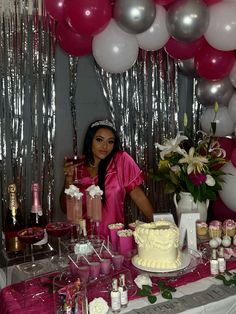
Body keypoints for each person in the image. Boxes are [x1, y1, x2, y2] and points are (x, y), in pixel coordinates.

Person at [61, 119, 153, 238]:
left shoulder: (120, 160)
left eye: (110, 142)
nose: (105, 146)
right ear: (90, 140)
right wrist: (68, 180)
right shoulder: (77, 167)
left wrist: (161, 226)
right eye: (99, 140)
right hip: (82, 242)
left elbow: (138, 196)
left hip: (113, 241)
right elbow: (66, 209)